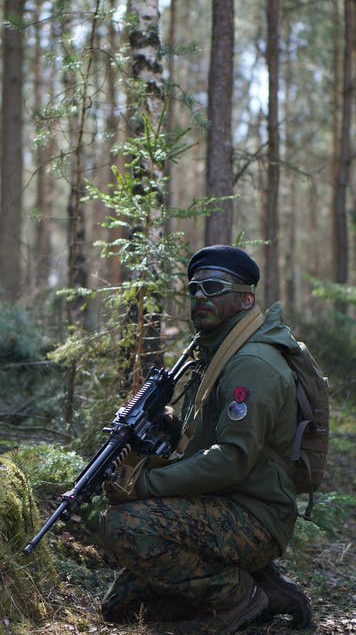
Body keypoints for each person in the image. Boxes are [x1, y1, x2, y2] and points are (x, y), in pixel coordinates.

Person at [98, 244, 313, 634]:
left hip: (254, 515)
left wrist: (144, 484)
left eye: (213, 287)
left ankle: (240, 598)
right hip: (221, 503)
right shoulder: (219, 351)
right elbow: (205, 437)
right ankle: (264, 586)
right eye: (194, 288)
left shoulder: (251, 363)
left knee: (125, 527)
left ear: (245, 298)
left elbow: (232, 458)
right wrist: (164, 428)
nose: (200, 296)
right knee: (120, 609)